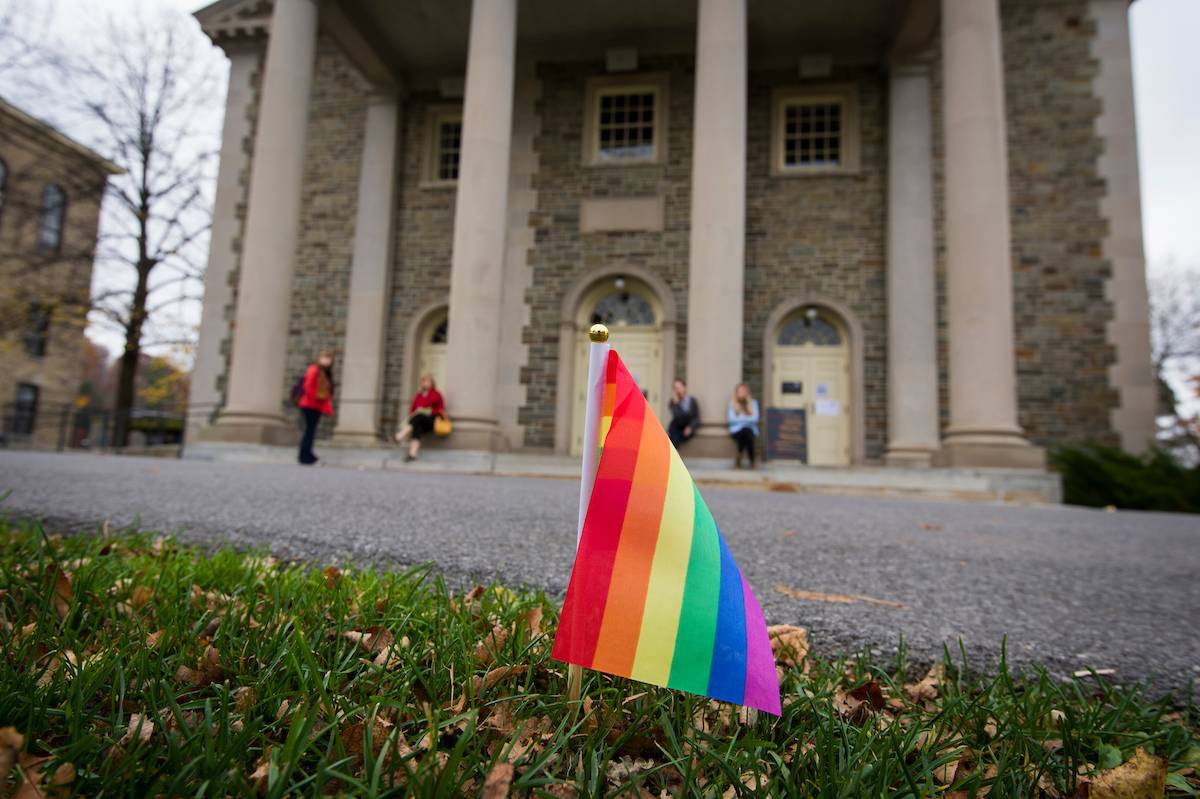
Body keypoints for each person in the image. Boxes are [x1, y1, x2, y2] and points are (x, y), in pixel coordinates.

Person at [394, 373, 446, 462]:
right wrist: (419, 411)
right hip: (419, 421)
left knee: (419, 416)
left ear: (432, 383)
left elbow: (441, 409)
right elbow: (412, 411)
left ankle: (400, 435)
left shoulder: (437, 394)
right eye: (424, 381)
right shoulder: (419, 395)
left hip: (432, 420)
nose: (426, 383)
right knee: (417, 426)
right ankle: (412, 454)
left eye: (428, 381)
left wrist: (428, 411)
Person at [297, 351, 335, 466]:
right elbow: (307, 386)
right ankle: (305, 456)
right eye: (325, 357)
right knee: (309, 430)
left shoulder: (326, 372)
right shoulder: (314, 369)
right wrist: (314, 399)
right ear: (319, 358)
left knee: (311, 431)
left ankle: (307, 454)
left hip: (316, 405)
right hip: (310, 405)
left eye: (329, 358)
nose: (327, 360)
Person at [727, 382, 760, 469]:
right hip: (736, 430)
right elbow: (731, 420)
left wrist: (740, 418)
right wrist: (747, 418)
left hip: (750, 430)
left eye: (743, 391)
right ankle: (752, 460)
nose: (741, 393)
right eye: (739, 391)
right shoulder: (732, 403)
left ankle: (739, 455)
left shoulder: (753, 403)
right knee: (746, 432)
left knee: (746, 431)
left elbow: (755, 419)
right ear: (736, 393)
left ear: (746, 392)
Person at [667, 378, 700, 448]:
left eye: (679, 387)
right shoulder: (673, 402)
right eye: (675, 388)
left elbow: (696, 417)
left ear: (684, 388)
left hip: (687, 427)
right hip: (676, 428)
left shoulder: (692, 401)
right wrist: (676, 403)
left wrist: (691, 427)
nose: (677, 390)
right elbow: (678, 417)